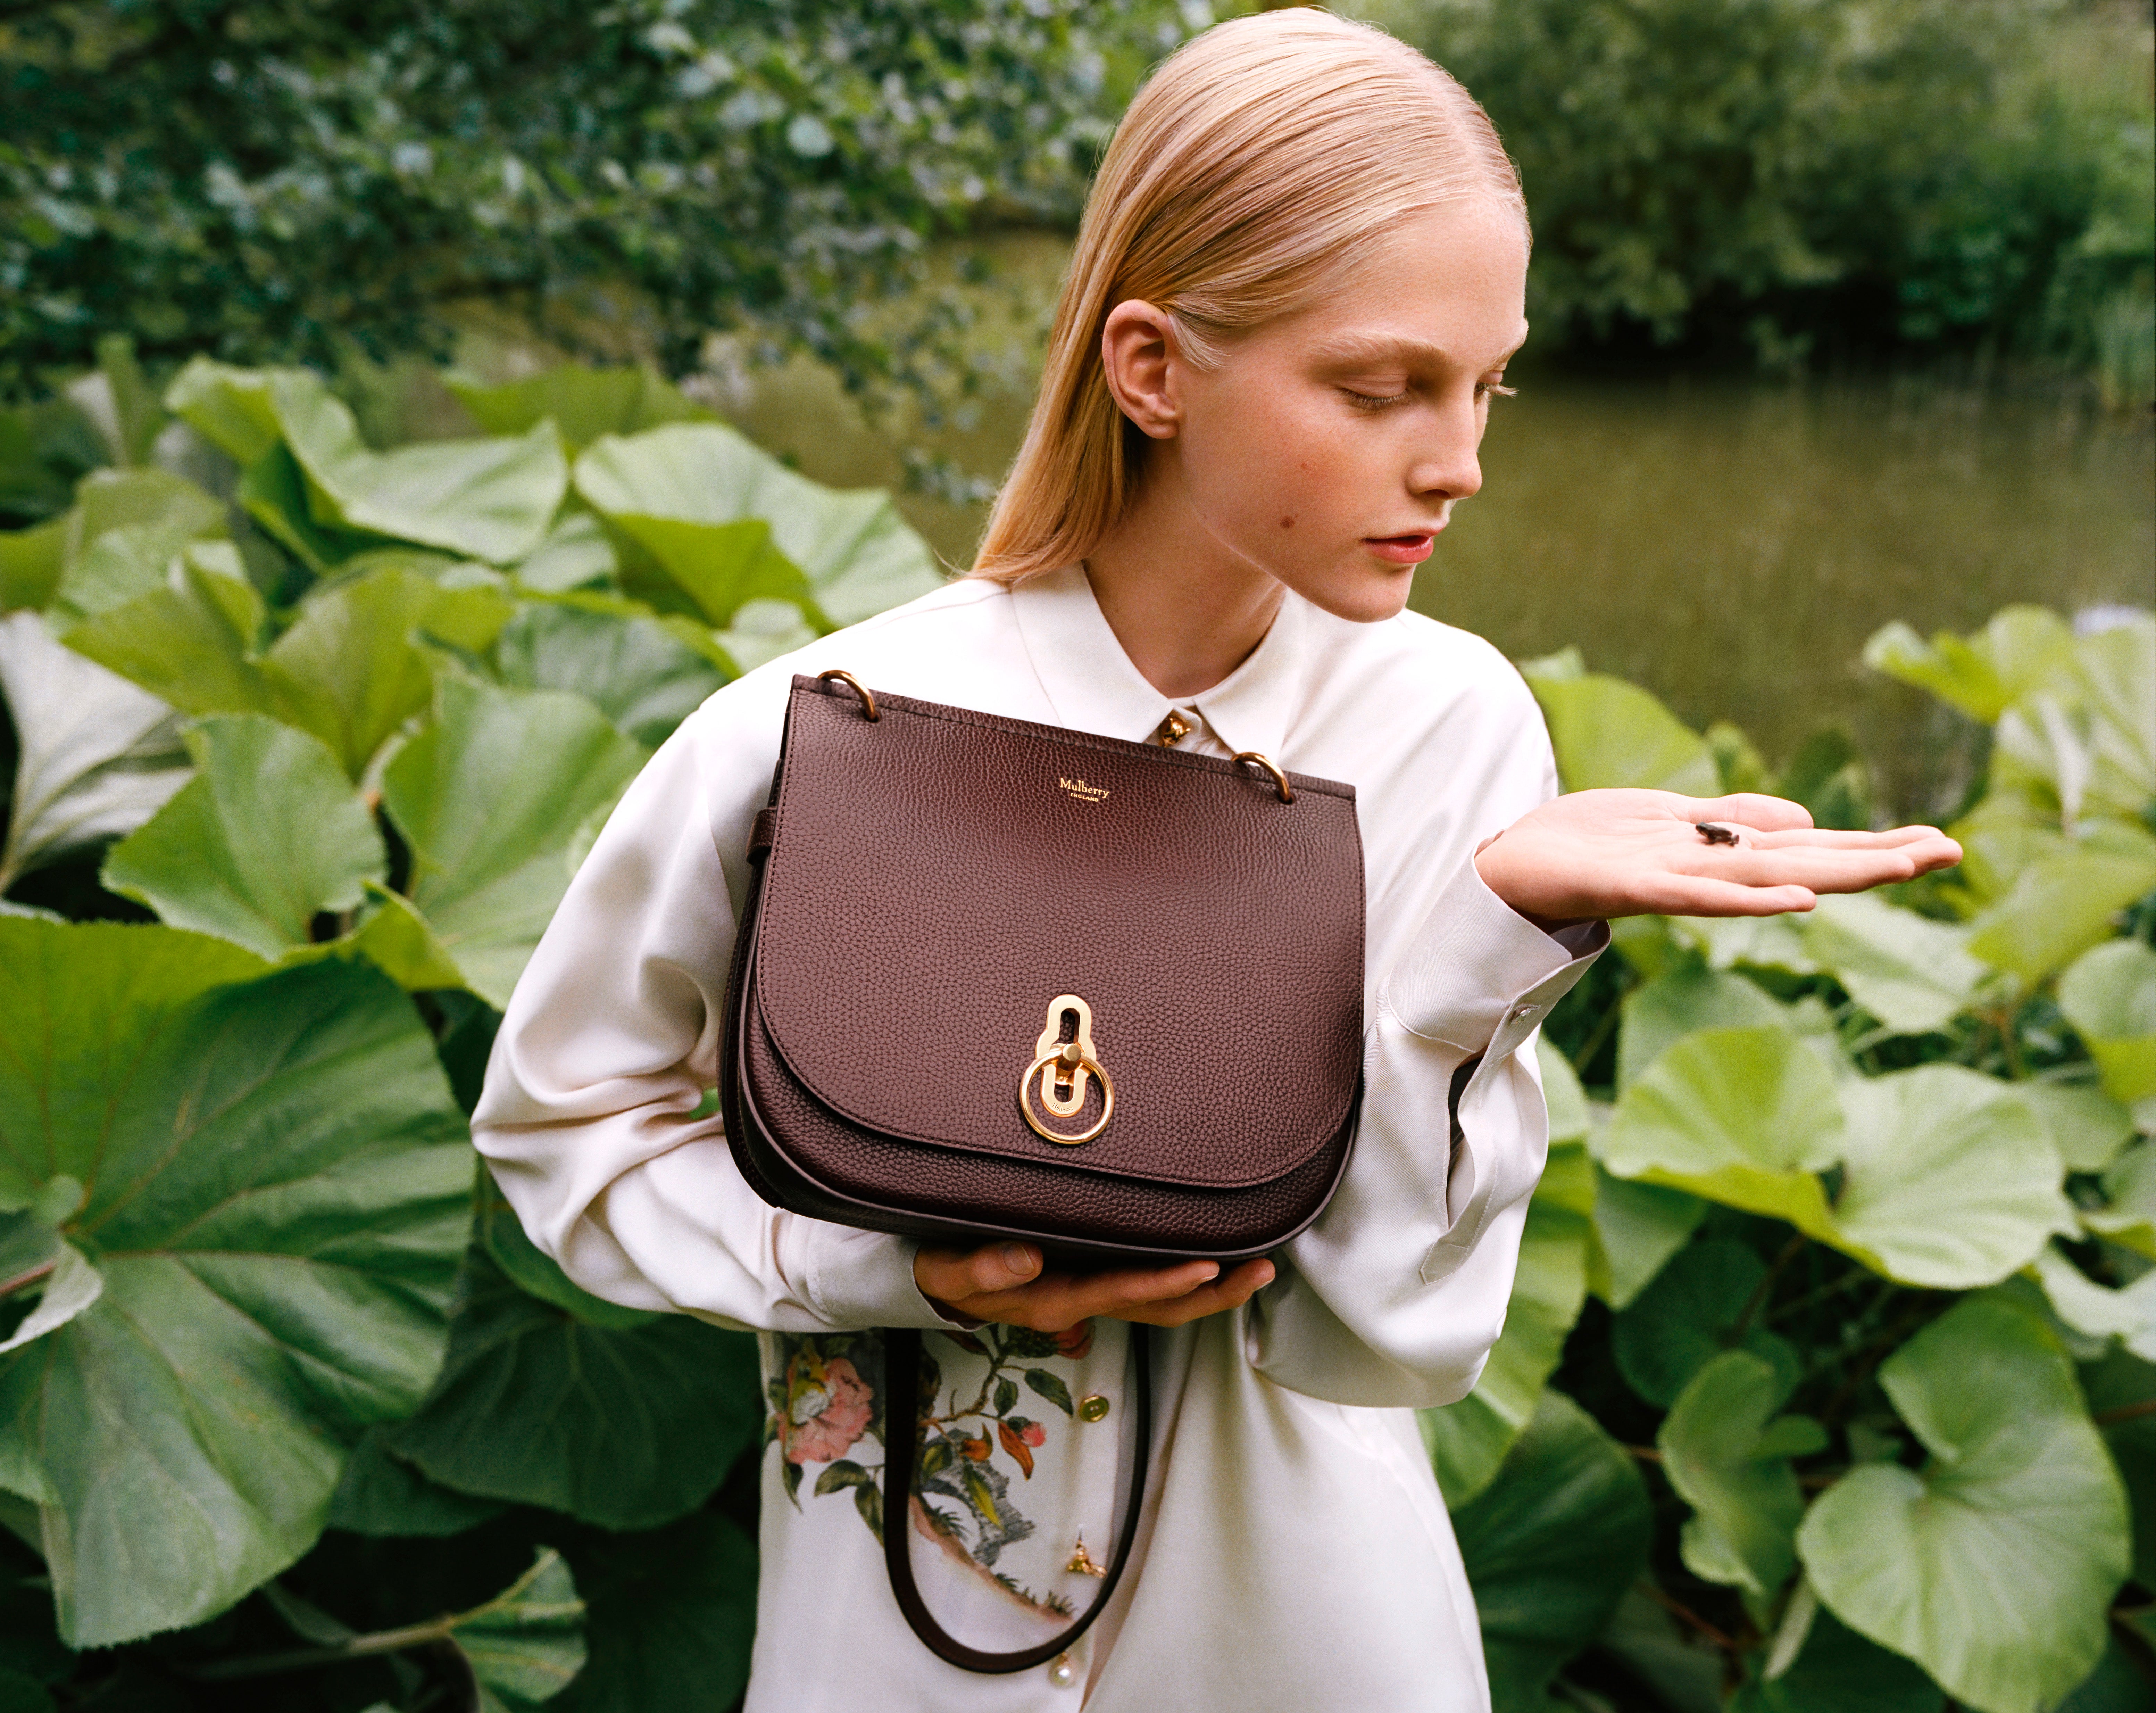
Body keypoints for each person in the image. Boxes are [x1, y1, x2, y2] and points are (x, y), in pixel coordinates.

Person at [472, 12, 1962, 1710]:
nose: (1458, 462)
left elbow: (1389, 1336)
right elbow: (565, 1122)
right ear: (1153, 366)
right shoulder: (826, 731)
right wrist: (887, 1271)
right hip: (901, 1644)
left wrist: (1491, 935)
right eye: (1380, 385)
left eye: (1487, 386)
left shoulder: (1449, 735)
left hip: (1300, 1629)